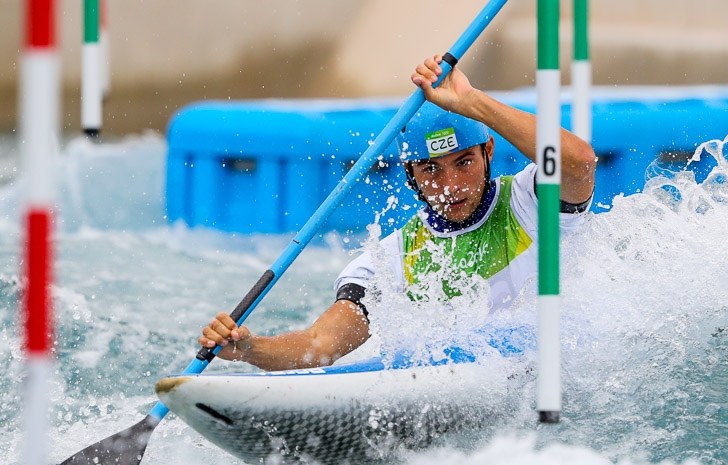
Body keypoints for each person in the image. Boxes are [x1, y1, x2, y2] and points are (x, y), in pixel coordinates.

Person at [199, 54, 597, 371]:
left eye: (464, 162)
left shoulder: (530, 202)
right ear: (410, 175)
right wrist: (251, 348)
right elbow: (319, 346)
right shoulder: (388, 260)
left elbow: (579, 161)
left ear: (488, 152)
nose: (452, 186)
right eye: (431, 169)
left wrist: (472, 102)